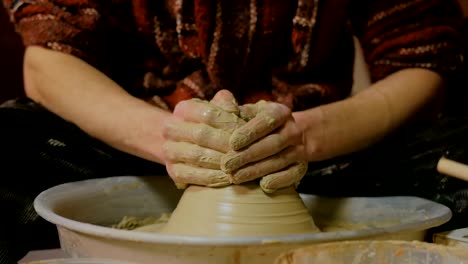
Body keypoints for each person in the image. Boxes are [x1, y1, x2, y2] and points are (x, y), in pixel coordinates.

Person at [1, 0, 468, 262]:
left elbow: (421, 63)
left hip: (321, 157)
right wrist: (169, 137)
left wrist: (309, 135)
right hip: (141, 146)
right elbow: (47, 62)